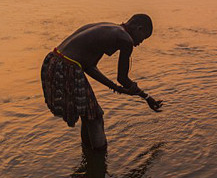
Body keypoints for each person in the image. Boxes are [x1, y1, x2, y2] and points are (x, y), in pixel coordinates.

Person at [41, 14, 162, 150]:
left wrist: (117, 88)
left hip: (53, 61)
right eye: (143, 38)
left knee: (88, 115)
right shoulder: (125, 39)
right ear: (139, 28)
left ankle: (88, 155)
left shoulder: (110, 29)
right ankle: (100, 158)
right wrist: (144, 96)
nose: (140, 43)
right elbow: (123, 78)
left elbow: (89, 66)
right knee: (95, 116)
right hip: (67, 67)